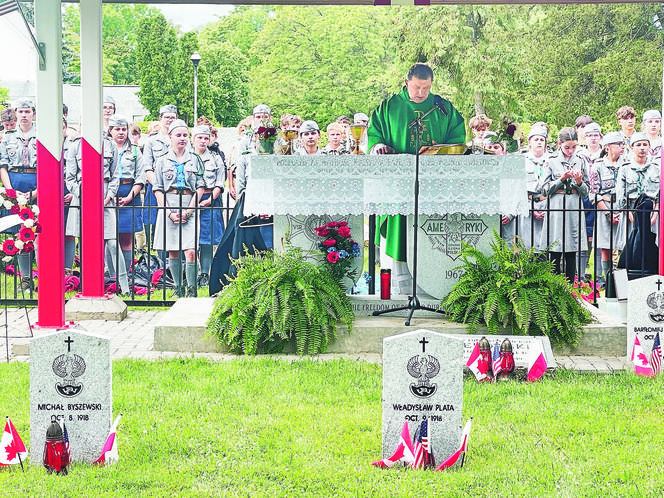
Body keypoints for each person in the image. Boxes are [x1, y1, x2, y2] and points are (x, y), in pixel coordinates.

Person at [367, 62, 465, 294]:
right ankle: (402, 287)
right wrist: (379, 145)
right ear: (406, 82)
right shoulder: (389, 107)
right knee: (400, 229)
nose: (421, 93)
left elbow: (458, 138)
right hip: (398, 185)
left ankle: (434, 285)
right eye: (417, 88)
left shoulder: (443, 107)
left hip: (434, 186)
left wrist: (442, 148)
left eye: (426, 88)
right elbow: (374, 134)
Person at [65, 126, 130, 294]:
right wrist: (83, 195)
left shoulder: (110, 145)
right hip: (82, 195)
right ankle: (89, 285)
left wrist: (109, 195)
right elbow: (70, 178)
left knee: (113, 242)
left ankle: (124, 286)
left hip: (105, 194)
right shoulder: (75, 146)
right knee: (86, 243)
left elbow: (116, 174)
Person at [153, 119, 202, 297]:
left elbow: (200, 187)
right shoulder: (161, 160)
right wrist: (169, 213)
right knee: (173, 249)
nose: (182, 138)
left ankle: (192, 290)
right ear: (170, 137)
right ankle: (178, 288)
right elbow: (157, 188)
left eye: (185, 135)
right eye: (178, 135)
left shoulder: (195, 159)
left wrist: (189, 211)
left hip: (188, 201)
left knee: (190, 250)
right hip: (169, 203)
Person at [537, 127, 589, 282]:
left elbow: (586, 192)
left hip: (574, 204)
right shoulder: (552, 161)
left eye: (574, 147)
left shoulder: (580, 161)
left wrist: (579, 182)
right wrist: (561, 179)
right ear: (560, 144)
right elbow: (544, 190)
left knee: (572, 247)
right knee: (555, 246)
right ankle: (554, 285)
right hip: (557, 205)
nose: (570, 151)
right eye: (567, 147)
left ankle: (571, 285)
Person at [0, 99, 38, 290]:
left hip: (37, 183)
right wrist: (10, 191)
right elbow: (2, 165)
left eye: (27, 111)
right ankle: (25, 278)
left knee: (39, 231)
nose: (24, 115)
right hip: (14, 184)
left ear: (33, 113)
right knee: (20, 233)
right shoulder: (8, 136)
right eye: (20, 111)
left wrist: (37, 192)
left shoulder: (42, 134)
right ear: (16, 114)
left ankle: (46, 276)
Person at [616, 132, 660, 276]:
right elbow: (621, 195)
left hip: (652, 212)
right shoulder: (625, 168)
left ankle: (652, 273)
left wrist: (654, 214)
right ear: (632, 147)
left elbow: (660, 194)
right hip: (632, 212)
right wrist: (629, 214)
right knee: (631, 244)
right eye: (638, 145)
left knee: (651, 245)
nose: (642, 148)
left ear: (649, 146)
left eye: (645, 144)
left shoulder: (656, 168)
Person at [108, 116, 145, 274]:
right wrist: (109, 195)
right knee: (109, 237)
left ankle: (127, 273)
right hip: (109, 194)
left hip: (129, 193)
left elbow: (140, 176)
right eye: (117, 129)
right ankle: (112, 274)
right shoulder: (105, 149)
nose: (121, 132)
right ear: (110, 131)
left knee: (127, 237)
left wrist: (130, 195)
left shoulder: (135, 151)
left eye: (124, 129)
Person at [190, 125, 225, 287]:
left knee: (207, 240)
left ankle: (205, 273)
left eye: (206, 138)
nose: (203, 141)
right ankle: (190, 272)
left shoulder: (215, 158)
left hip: (210, 200)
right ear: (193, 139)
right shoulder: (186, 157)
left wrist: (211, 198)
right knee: (189, 239)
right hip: (190, 202)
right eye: (200, 137)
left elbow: (220, 181)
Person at [143, 104, 178, 263]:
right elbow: (147, 167)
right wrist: (159, 188)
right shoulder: (151, 141)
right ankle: (160, 263)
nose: (170, 120)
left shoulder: (180, 138)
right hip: (155, 188)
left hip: (175, 189)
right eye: (167, 117)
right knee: (157, 225)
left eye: (173, 117)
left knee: (174, 223)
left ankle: (175, 262)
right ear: (160, 118)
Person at [501, 126, 547, 248]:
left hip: (546, 208)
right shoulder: (521, 161)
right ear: (529, 142)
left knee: (544, 248)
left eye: (542, 140)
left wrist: (545, 209)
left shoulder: (550, 161)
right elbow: (517, 189)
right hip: (527, 208)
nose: (539, 142)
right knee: (527, 246)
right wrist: (532, 207)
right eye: (536, 139)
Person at [592, 132, 628, 282]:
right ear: (607, 148)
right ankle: (608, 282)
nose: (621, 147)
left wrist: (622, 210)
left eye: (622, 144)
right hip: (605, 207)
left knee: (624, 245)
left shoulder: (627, 164)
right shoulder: (598, 166)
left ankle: (622, 281)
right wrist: (608, 213)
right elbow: (593, 193)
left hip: (623, 208)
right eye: (618, 144)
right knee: (606, 246)